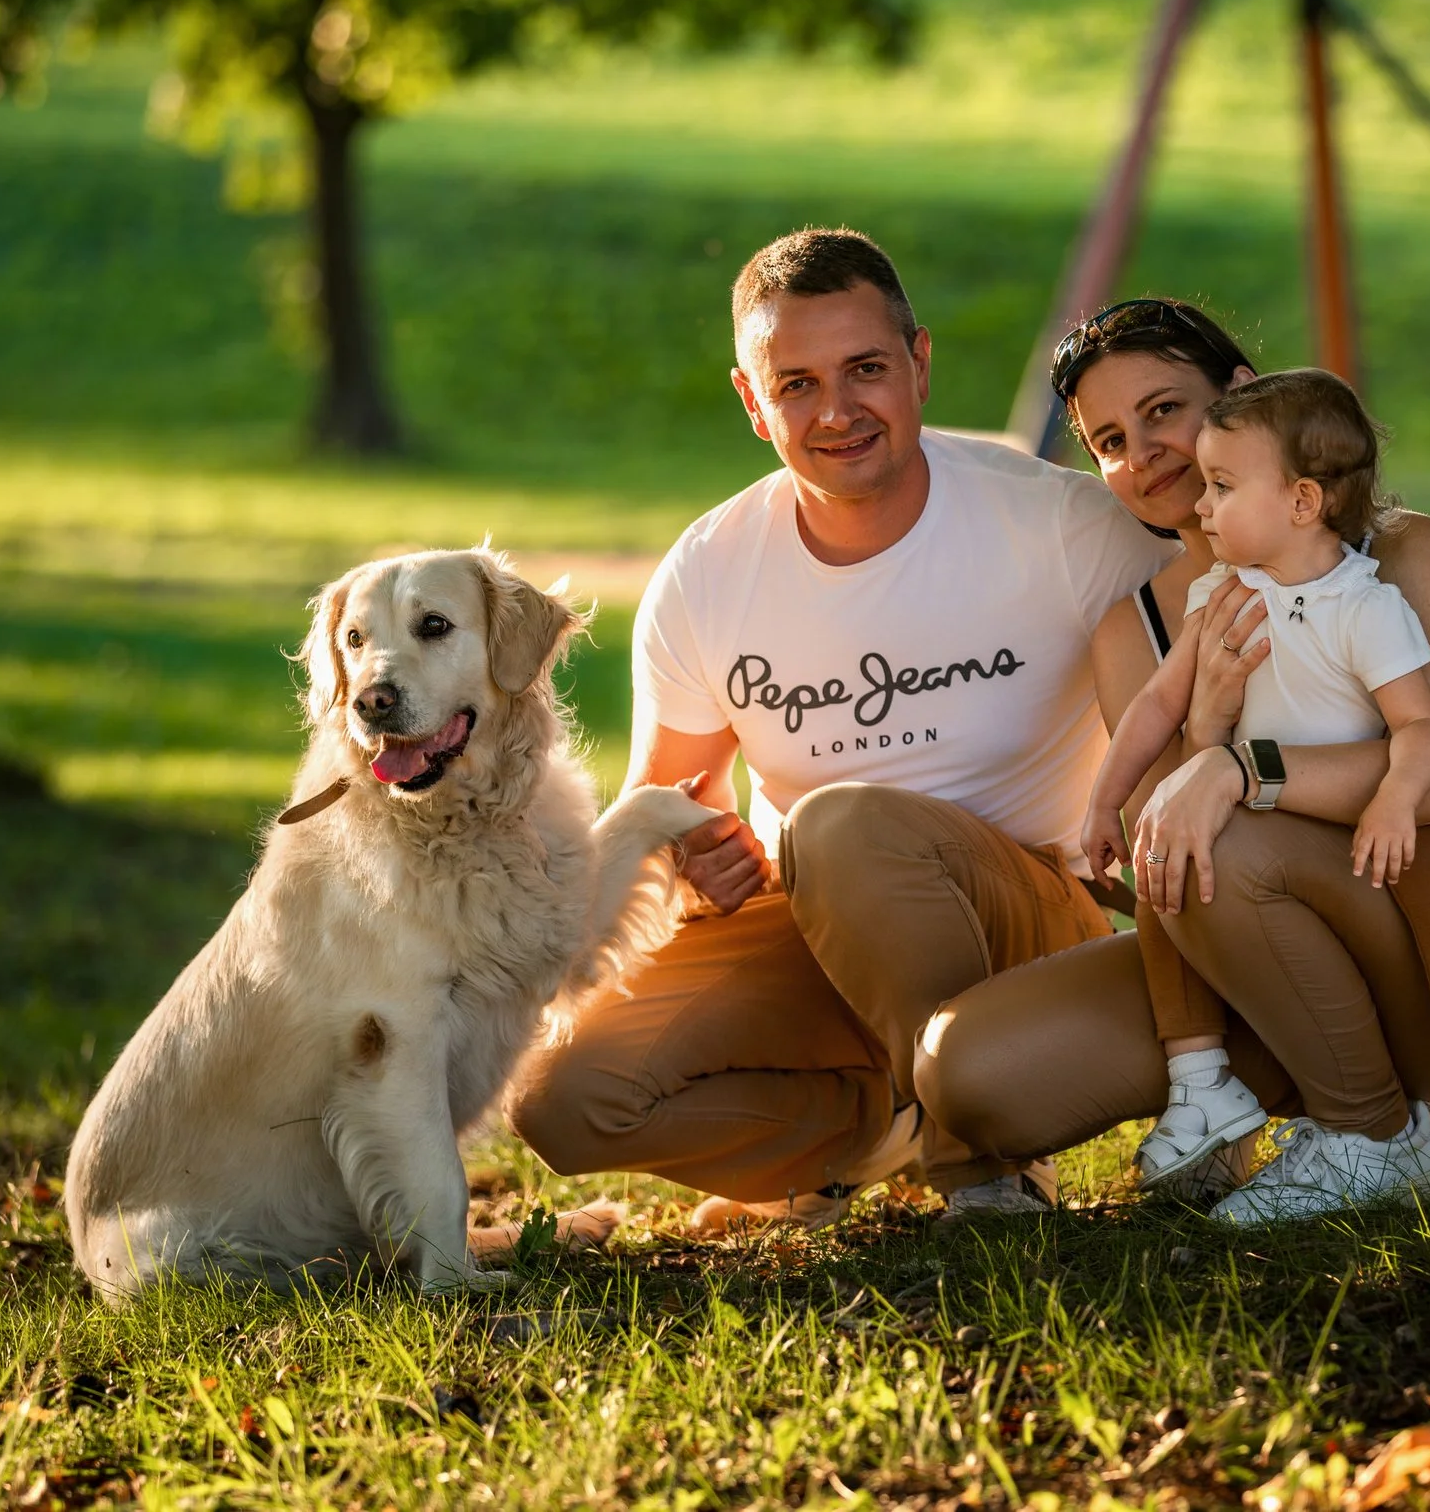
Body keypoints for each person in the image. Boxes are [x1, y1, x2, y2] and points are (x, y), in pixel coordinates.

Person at [503, 230, 1176, 1230]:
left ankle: (984, 1173)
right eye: (797, 383)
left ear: (919, 362)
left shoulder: (1060, 525)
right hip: (813, 924)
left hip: (1027, 917)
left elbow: (1199, 723)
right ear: (751, 400)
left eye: (865, 368)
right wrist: (695, 854)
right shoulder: (709, 571)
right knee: (565, 1098)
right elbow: (666, 802)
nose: (836, 411)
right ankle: (891, 1131)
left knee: (840, 822)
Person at [913, 297, 1430, 1225]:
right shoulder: (1133, 626)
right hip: (1256, 960)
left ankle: (1373, 1132)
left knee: (1228, 844)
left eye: (1164, 409)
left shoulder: (1395, 552)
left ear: (1242, 397)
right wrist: (1208, 718)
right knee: (973, 1068)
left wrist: (1236, 768)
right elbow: (1161, 846)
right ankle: (1232, 1098)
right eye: (1108, 438)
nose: (1143, 452)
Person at [1080, 365, 1430, 1193]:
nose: (1202, 505)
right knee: (1166, 860)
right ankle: (1199, 1080)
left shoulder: (1364, 603)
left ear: (1300, 502)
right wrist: (1109, 799)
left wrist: (1396, 798)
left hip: (1368, 816)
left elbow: (1420, 728)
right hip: (1277, 834)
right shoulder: (1220, 593)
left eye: (1220, 485)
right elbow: (1157, 701)